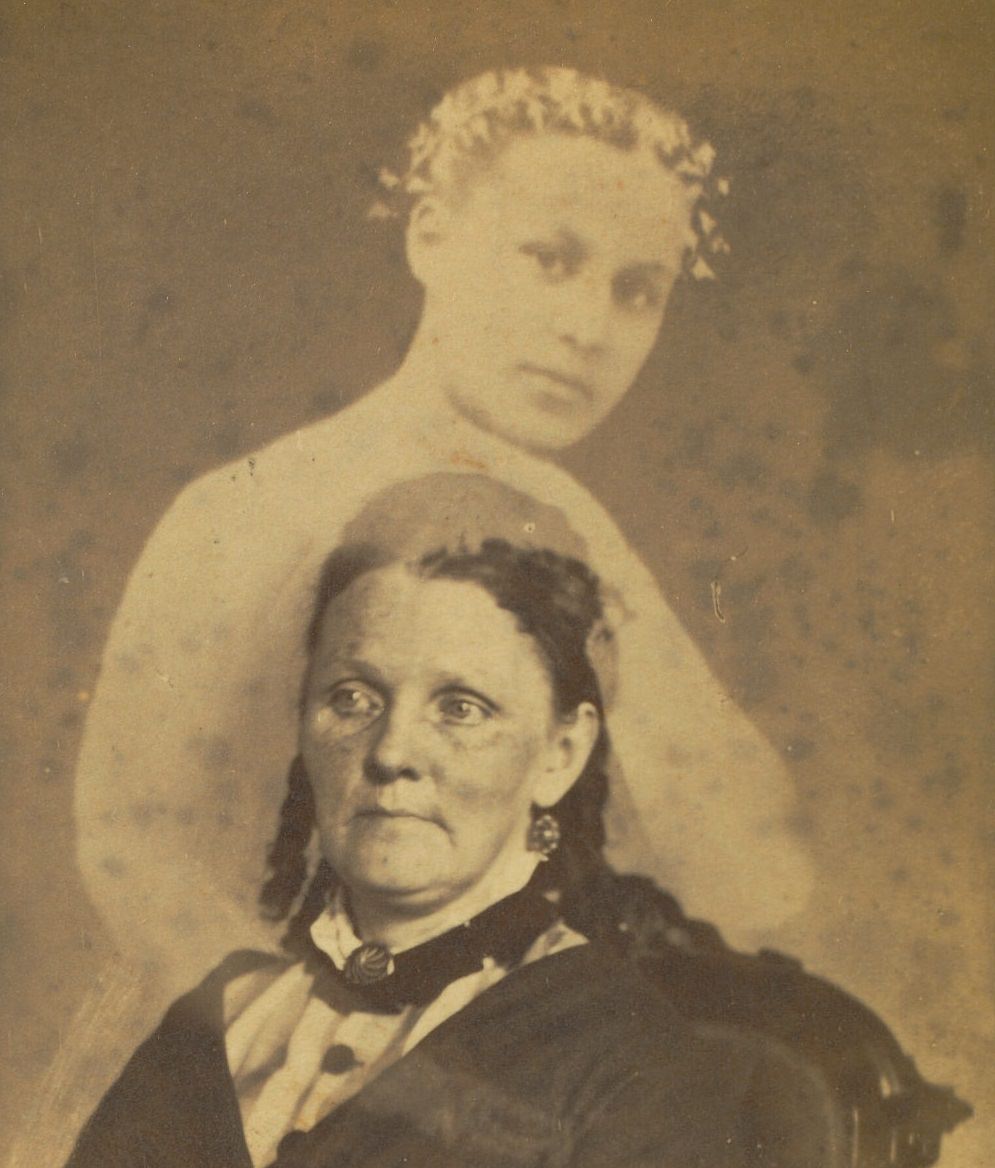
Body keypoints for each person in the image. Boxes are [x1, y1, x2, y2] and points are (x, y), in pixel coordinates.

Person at [0, 519, 825, 1168]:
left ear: (560, 753)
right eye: (352, 698)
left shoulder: (641, 1083)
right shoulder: (226, 1028)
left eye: (462, 709)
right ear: (304, 726)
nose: (392, 753)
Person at [74, 65, 810, 1004]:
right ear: (431, 235)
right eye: (549, 259)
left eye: (636, 290)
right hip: (244, 1071)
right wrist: (320, 1054)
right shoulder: (256, 504)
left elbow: (757, 865)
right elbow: (129, 839)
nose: (587, 325)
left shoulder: (586, 537)